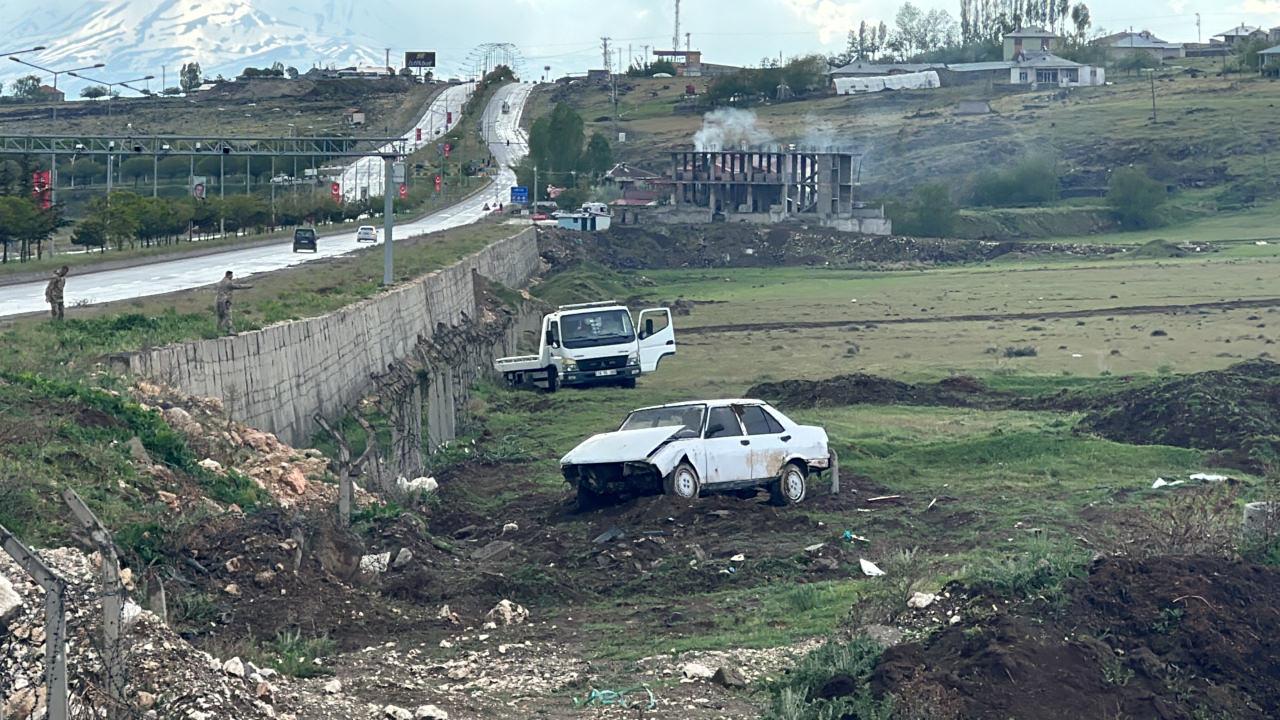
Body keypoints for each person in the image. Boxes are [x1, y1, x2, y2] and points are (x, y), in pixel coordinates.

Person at [215, 270, 253, 335]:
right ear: (229, 275)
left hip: (218, 301)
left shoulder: (220, 282)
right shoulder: (228, 283)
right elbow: (238, 286)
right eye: (232, 275)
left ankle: (218, 331)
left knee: (220, 317)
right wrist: (249, 286)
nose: (232, 277)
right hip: (225, 301)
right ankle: (230, 330)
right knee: (228, 316)